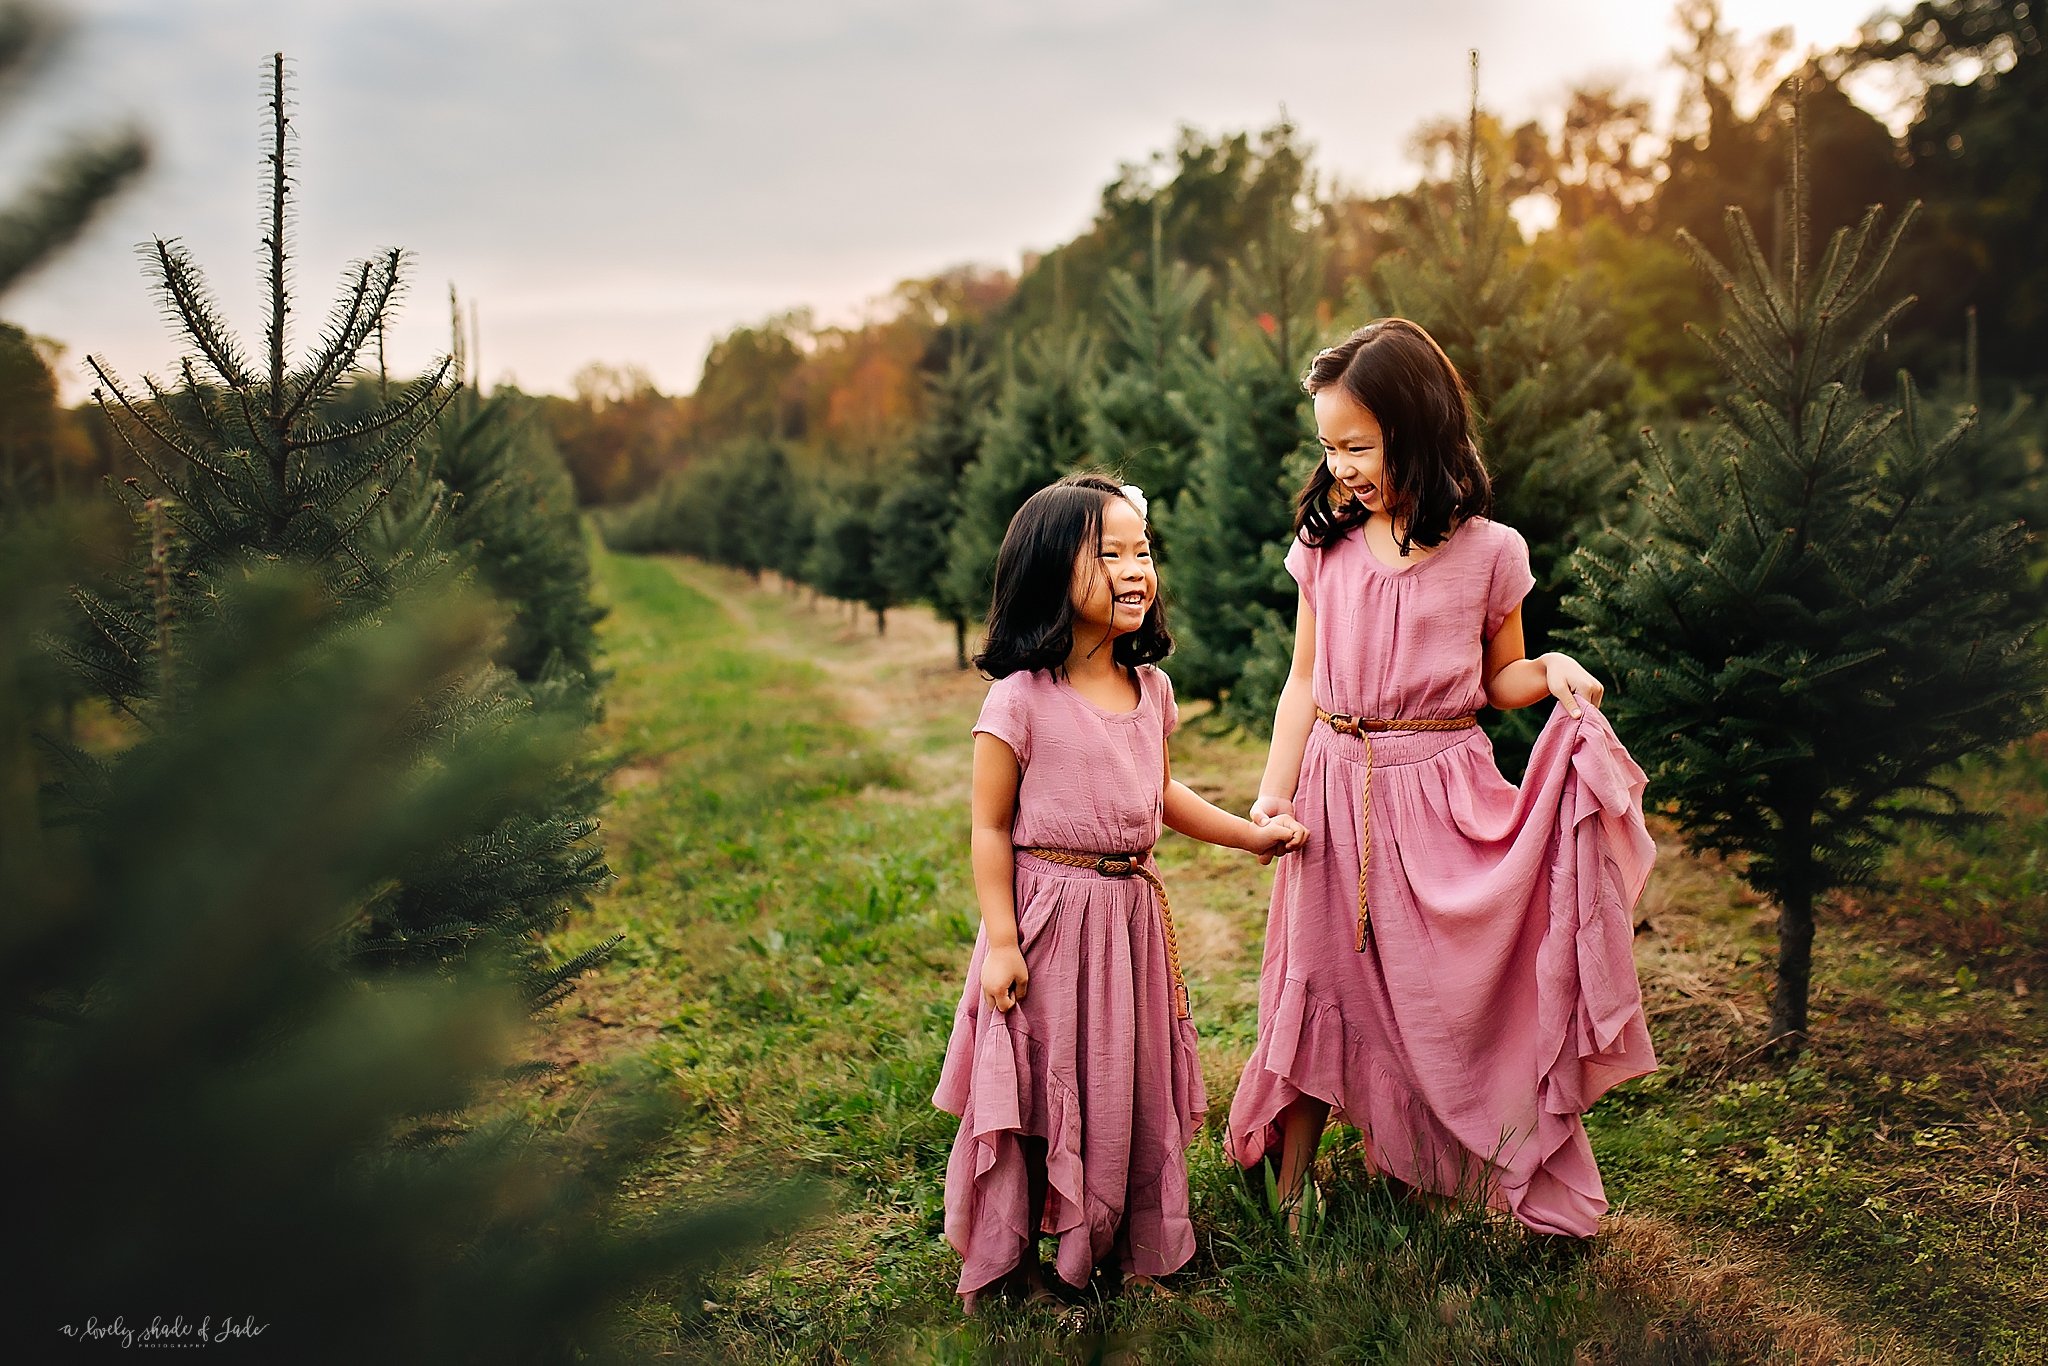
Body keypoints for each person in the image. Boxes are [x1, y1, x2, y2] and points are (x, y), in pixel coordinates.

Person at [1224, 318, 1658, 1239]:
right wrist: (1273, 792)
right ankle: (1290, 1197)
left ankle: (1427, 1168)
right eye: (1327, 447)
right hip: (1334, 789)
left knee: (1438, 994)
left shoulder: (1491, 551)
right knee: (1318, 983)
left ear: (1416, 427)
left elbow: (1500, 681)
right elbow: (1303, 681)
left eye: (1356, 444)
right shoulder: (1327, 546)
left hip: (1438, 790)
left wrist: (1555, 670)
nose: (1339, 466)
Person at [934, 473, 1308, 1308]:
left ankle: (1126, 1240)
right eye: (1110, 553)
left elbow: (1160, 795)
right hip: (1049, 924)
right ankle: (1018, 1264)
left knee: (1123, 1085)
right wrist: (1000, 940)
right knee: (1044, 1087)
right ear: (1047, 571)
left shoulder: (1152, 692)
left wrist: (1250, 832)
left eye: (1144, 551)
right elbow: (990, 828)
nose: (1137, 569)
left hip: (1128, 923)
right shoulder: (1019, 702)